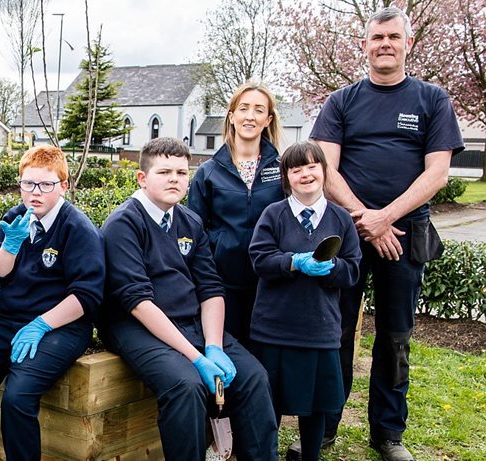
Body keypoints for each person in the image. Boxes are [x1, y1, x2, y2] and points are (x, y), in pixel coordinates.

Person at [302, 7, 465, 461]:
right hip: (348, 233)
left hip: (405, 234)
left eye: (394, 36)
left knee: (395, 336)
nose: (385, 44)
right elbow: (325, 167)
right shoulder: (342, 101)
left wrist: (386, 217)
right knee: (333, 333)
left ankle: (388, 435)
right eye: (377, 38)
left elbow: (437, 173)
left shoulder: (433, 100)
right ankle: (325, 425)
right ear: (365, 46)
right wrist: (365, 219)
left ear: (408, 43)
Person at [100, 137, 278, 461]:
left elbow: (210, 289)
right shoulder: (123, 224)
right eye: (164, 171)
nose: (174, 179)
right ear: (142, 178)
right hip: (137, 325)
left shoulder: (190, 222)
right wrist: (196, 359)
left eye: (182, 173)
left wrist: (213, 346)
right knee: (186, 386)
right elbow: (138, 302)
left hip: (191, 322)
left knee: (254, 378)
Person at [0, 146, 105, 461]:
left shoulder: (77, 228)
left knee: (17, 398)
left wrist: (42, 324)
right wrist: (11, 245)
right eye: (28, 184)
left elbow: (87, 296)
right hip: (7, 320)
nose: (36, 192)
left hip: (61, 326)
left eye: (46, 185)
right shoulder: (15, 218)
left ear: (63, 185)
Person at [248, 142, 361, 461]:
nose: (305, 174)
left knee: (316, 407)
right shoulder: (274, 215)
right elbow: (259, 259)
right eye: (296, 169)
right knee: (269, 404)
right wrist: (295, 262)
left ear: (325, 171)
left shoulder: (341, 219)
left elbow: (352, 270)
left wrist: (332, 268)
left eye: (312, 166)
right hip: (274, 329)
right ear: (286, 178)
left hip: (320, 331)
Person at [187, 82, 284, 346]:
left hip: (269, 282)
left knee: (263, 354)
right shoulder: (208, 172)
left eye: (258, 110)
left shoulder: (282, 170)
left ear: (268, 119)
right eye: (243, 109)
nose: (250, 116)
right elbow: (194, 230)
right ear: (232, 116)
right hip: (223, 283)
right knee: (229, 351)